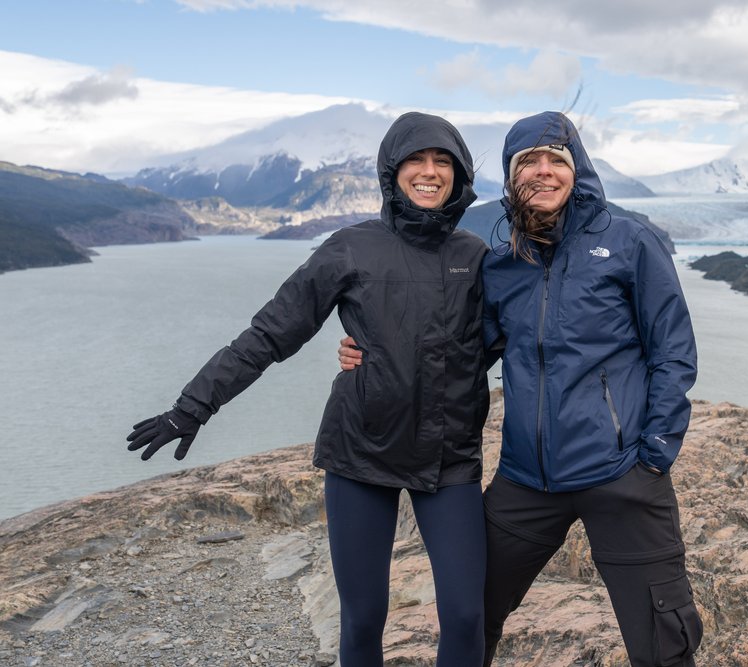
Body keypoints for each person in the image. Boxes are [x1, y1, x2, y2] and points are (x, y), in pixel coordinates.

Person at [127, 112, 491, 666]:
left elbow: (506, 337)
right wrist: (192, 407)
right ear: (391, 172)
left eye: (443, 161)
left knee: (465, 615)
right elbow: (271, 333)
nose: (429, 172)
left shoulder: (475, 255)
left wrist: (396, 356)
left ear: (459, 174)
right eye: (415, 160)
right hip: (360, 451)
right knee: (363, 618)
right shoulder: (350, 247)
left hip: (449, 455)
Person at [340, 111, 702, 666]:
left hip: (620, 475)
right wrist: (372, 351)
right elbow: (460, 351)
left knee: (662, 640)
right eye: (528, 162)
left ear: (577, 170)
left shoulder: (629, 242)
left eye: (556, 160)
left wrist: (654, 454)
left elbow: (673, 351)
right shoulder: (504, 264)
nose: (543, 171)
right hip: (526, 482)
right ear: (512, 179)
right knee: (472, 614)